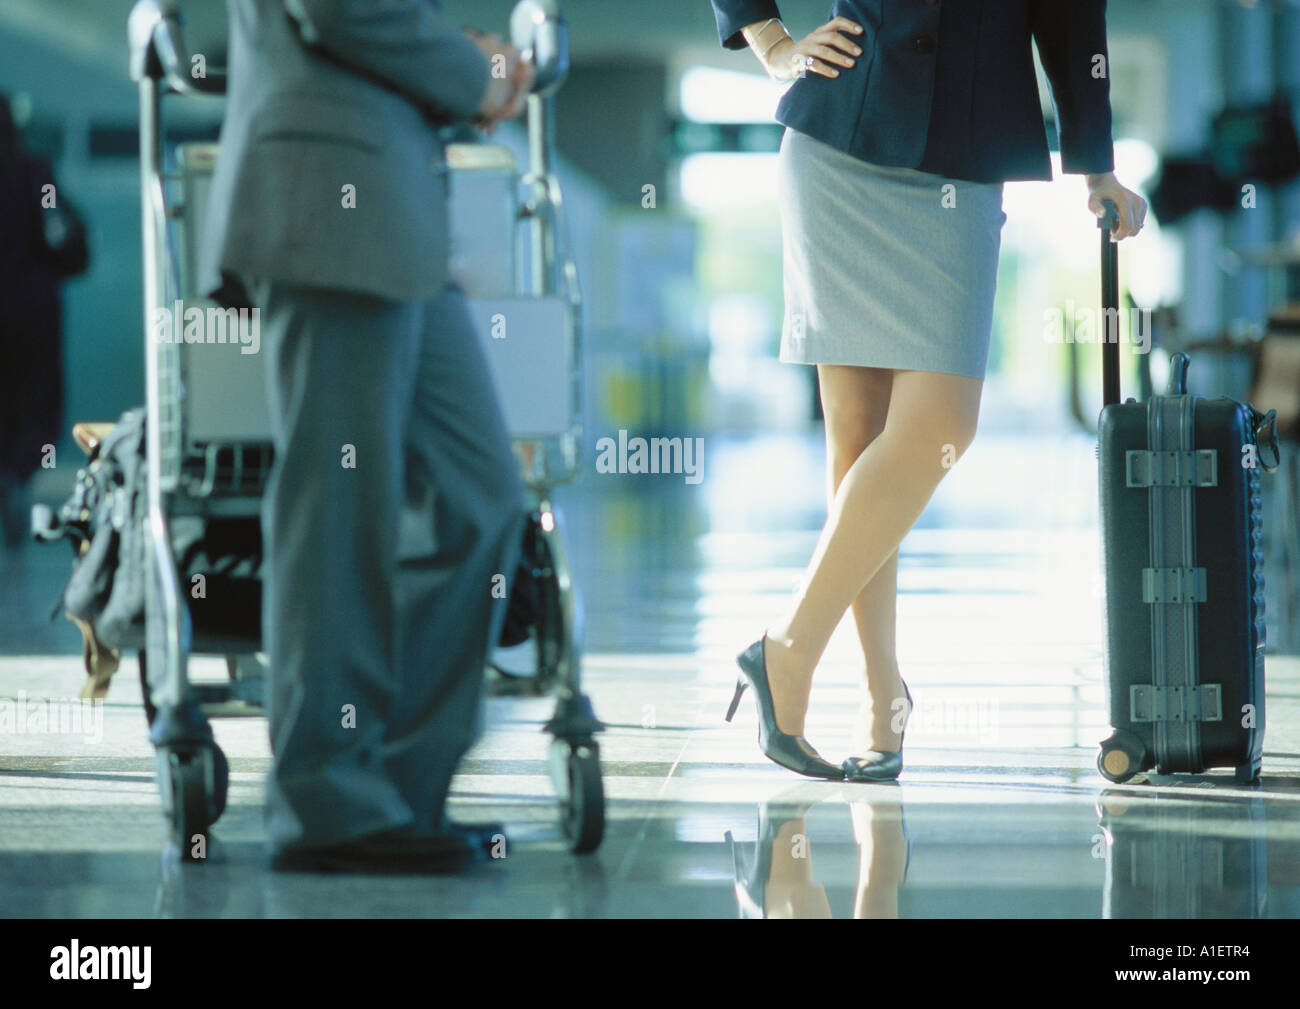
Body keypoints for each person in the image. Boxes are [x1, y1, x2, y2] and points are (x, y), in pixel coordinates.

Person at [711, 2, 1147, 780]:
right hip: (840, 138)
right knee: (856, 443)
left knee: (941, 425)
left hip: (965, 160)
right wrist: (770, 40)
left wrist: (1096, 163)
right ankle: (882, 700)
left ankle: (785, 652)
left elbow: (1075, 20)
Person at [198, 0, 533, 872]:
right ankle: (332, 799)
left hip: (395, 208)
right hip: (329, 199)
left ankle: (394, 787)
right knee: (339, 512)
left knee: (482, 497)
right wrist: (478, 72)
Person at [0, 95, 88, 550]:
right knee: (34, 406)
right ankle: (16, 479)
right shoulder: (35, 173)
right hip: (32, 311)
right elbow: (61, 228)